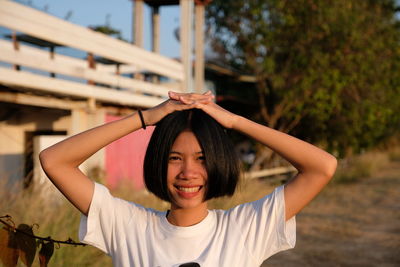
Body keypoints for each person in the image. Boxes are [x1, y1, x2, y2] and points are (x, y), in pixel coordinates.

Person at [39, 91, 337, 267]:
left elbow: (322, 167)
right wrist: (146, 118)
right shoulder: (127, 226)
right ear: (158, 161)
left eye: (202, 159)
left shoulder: (245, 228)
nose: (188, 173)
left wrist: (234, 122)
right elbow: (54, 161)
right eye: (174, 158)